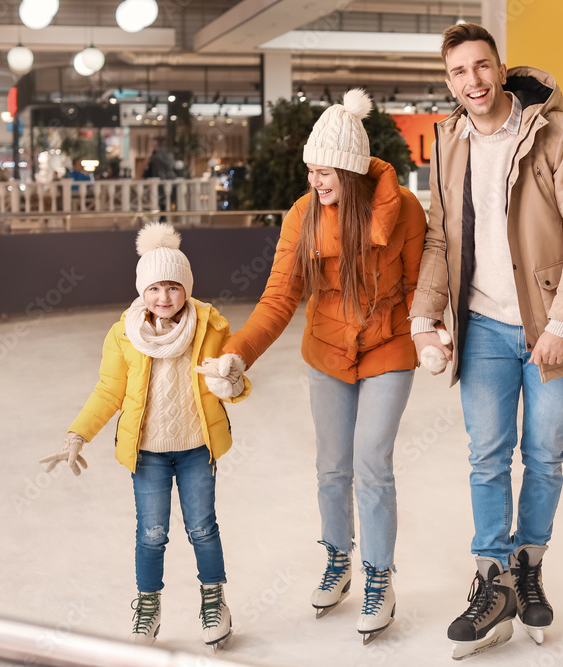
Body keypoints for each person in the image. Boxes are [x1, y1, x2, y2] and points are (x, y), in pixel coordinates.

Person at [409, 23, 563, 658]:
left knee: (545, 454)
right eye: (457, 72)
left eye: (480, 66)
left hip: (548, 324)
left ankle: (529, 564)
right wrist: (425, 318)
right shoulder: (448, 141)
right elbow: (441, 237)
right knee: (486, 457)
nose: (470, 81)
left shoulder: (559, 134)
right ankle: (491, 579)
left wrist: (559, 322)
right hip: (482, 327)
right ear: (448, 82)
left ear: (500, 69)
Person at [196, 89, 426, 645]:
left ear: (349, 170)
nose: (315, 181)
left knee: (371, 463)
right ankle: (338, 557)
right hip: (327, 351)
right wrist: (238, 352)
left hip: (389, 346)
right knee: (331, 469)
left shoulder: (405, 212)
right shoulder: (302, 216)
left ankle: (378, 576)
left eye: (324, 171)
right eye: (311, 170)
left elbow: (423, 287)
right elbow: (279, 299)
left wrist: (437, 334)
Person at [39, 222, 250, 650]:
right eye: (155, 288)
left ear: (186, 288)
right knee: (151, 532)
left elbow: (235, 379)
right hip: (148, 453)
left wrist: (230, 383)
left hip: (195, 448)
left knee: (203, 528)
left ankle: (215, 601)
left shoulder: (209, 326)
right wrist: (78, 433)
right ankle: (148, 607)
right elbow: (109, 390)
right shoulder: (123, 334)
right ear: (142, 291)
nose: (165, 297)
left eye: (173, 287)